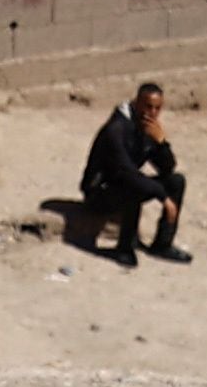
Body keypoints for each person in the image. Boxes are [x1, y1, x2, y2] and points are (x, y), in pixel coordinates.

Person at [77, 84, 188, 264]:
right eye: (148, 106)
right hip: (100, 193)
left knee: (176, 181)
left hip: (124, 185)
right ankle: (124, 249)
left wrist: (161, 142)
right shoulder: (116, 129)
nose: (152, 113)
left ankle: (163, 244)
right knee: (133, 184)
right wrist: (163, 198)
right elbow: (126, 172)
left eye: (157, 108)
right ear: (137, 103)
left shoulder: (147, 128)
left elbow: (167, 168)